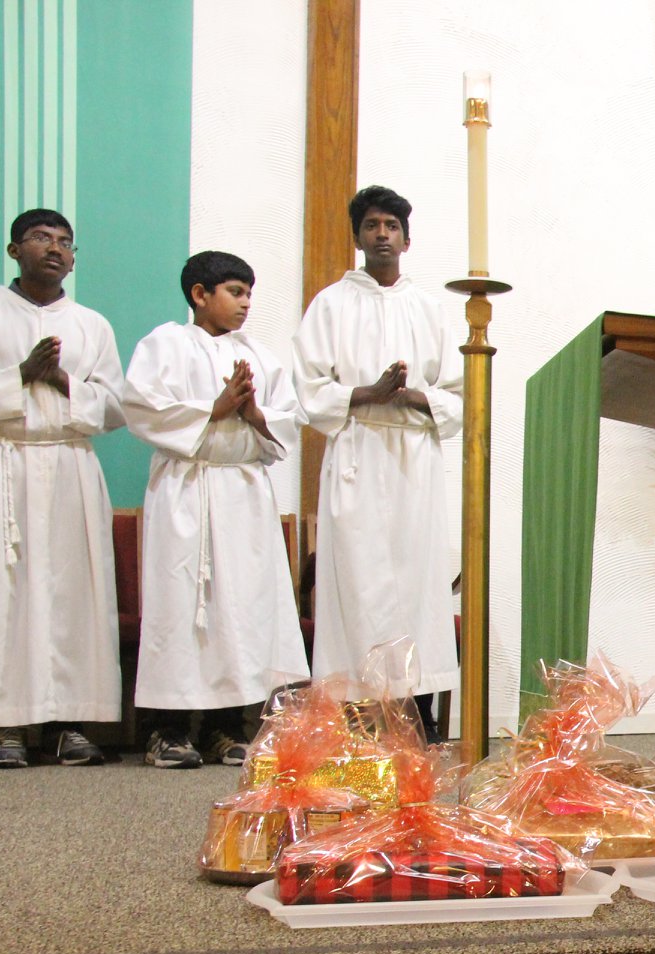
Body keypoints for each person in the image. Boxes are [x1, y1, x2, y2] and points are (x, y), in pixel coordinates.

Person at [0, 209, 125, 767]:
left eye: (66, 241)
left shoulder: (92, 324)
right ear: (14, 250)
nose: (55, 249)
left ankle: (70, 724)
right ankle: (5, 726)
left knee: (71, 594)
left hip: (67, 464)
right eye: (41, 238)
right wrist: (17, 375)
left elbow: (115, 408)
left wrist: (61, 378)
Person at [123, 251, 309, 768]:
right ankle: (168, 729)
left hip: (243, 491)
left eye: (249, 292)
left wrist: (254, 413)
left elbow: (288, 421)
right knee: (181, 608)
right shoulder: (163, 344)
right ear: (199, 295)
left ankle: (227, 726)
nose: (245, 303)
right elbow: (140, 407)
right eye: (234, 291)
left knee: (241, 610)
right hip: (187, 487)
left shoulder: (260, 356)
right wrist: (214, 410)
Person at [292, 185, 463, 740]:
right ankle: (355, 710)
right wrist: (365, 392)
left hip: (414, 459)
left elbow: (464, 394)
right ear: (358, 236)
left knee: (418, 579)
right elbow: (309, 388)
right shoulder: (331, 304)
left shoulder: (431, 308)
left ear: (407, 239)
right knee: (356, 580)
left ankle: (413, 709)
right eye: (371, 225)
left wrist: (411, 395)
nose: (382, 233)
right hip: (358, 454)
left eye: (392, 224)